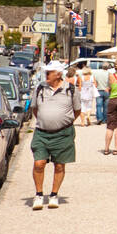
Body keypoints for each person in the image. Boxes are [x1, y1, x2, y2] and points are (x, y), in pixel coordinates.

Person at [31, 64, 80, 209]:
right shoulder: (40, 88)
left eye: (49, 72)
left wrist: (63, 122)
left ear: (58, 74)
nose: (46, 74)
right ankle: (39, 194)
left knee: (59, 165)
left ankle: (53, 194)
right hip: (41, 132)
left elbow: (77, 111)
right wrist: (46, 121)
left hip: (63, 133)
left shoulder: (71, 90)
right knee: (38, 163)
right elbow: (35, 109)